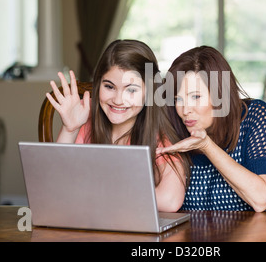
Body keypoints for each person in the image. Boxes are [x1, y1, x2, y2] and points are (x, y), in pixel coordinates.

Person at [46, 39, 191, 212]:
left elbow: (170, 200)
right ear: (99, 84)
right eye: (109, 87)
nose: (118, 100)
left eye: (131, 90)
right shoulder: (85, 119)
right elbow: (52, 186)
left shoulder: (159, 139)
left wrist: (96, 192)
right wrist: (70, 129)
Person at [157, 46, 266, 212]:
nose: (185, 109)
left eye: (196, 97)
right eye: (178, 99)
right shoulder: (172, 127)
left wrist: (206, 145)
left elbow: (261, 199)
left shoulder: (254, 115)